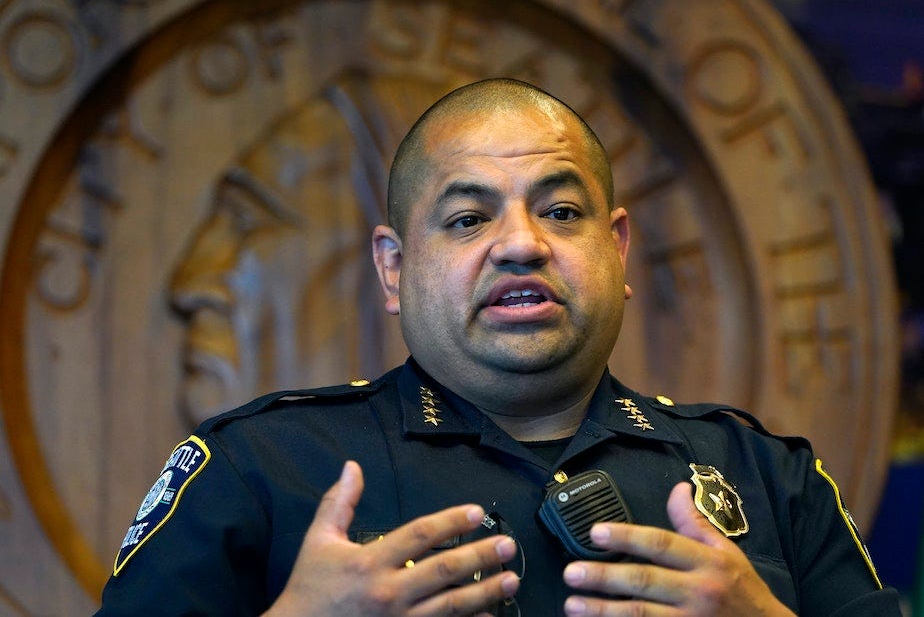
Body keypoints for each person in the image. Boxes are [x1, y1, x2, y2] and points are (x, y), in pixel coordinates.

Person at [96, 78, 901, 616]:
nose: (521, 245)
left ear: (618, 252)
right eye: (468, 219)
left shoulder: (770, 476)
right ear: (395, 267)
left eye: (560, 212)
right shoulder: (258, 467)